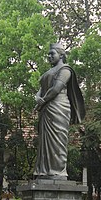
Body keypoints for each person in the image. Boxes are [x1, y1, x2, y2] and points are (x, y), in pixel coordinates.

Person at [33, 43, 85, 180]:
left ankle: (57, 171)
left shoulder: (65, 70)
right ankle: (44, 171)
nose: (49, 56)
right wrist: (38, 98)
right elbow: (41, 89)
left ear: (61, 55)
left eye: (52, 54)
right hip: (46, 109)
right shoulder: (48, 72)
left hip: (59, 107)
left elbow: (56, 88)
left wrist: (42, 101)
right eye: (48, 54)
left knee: (58, 140)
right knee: (45, 141)